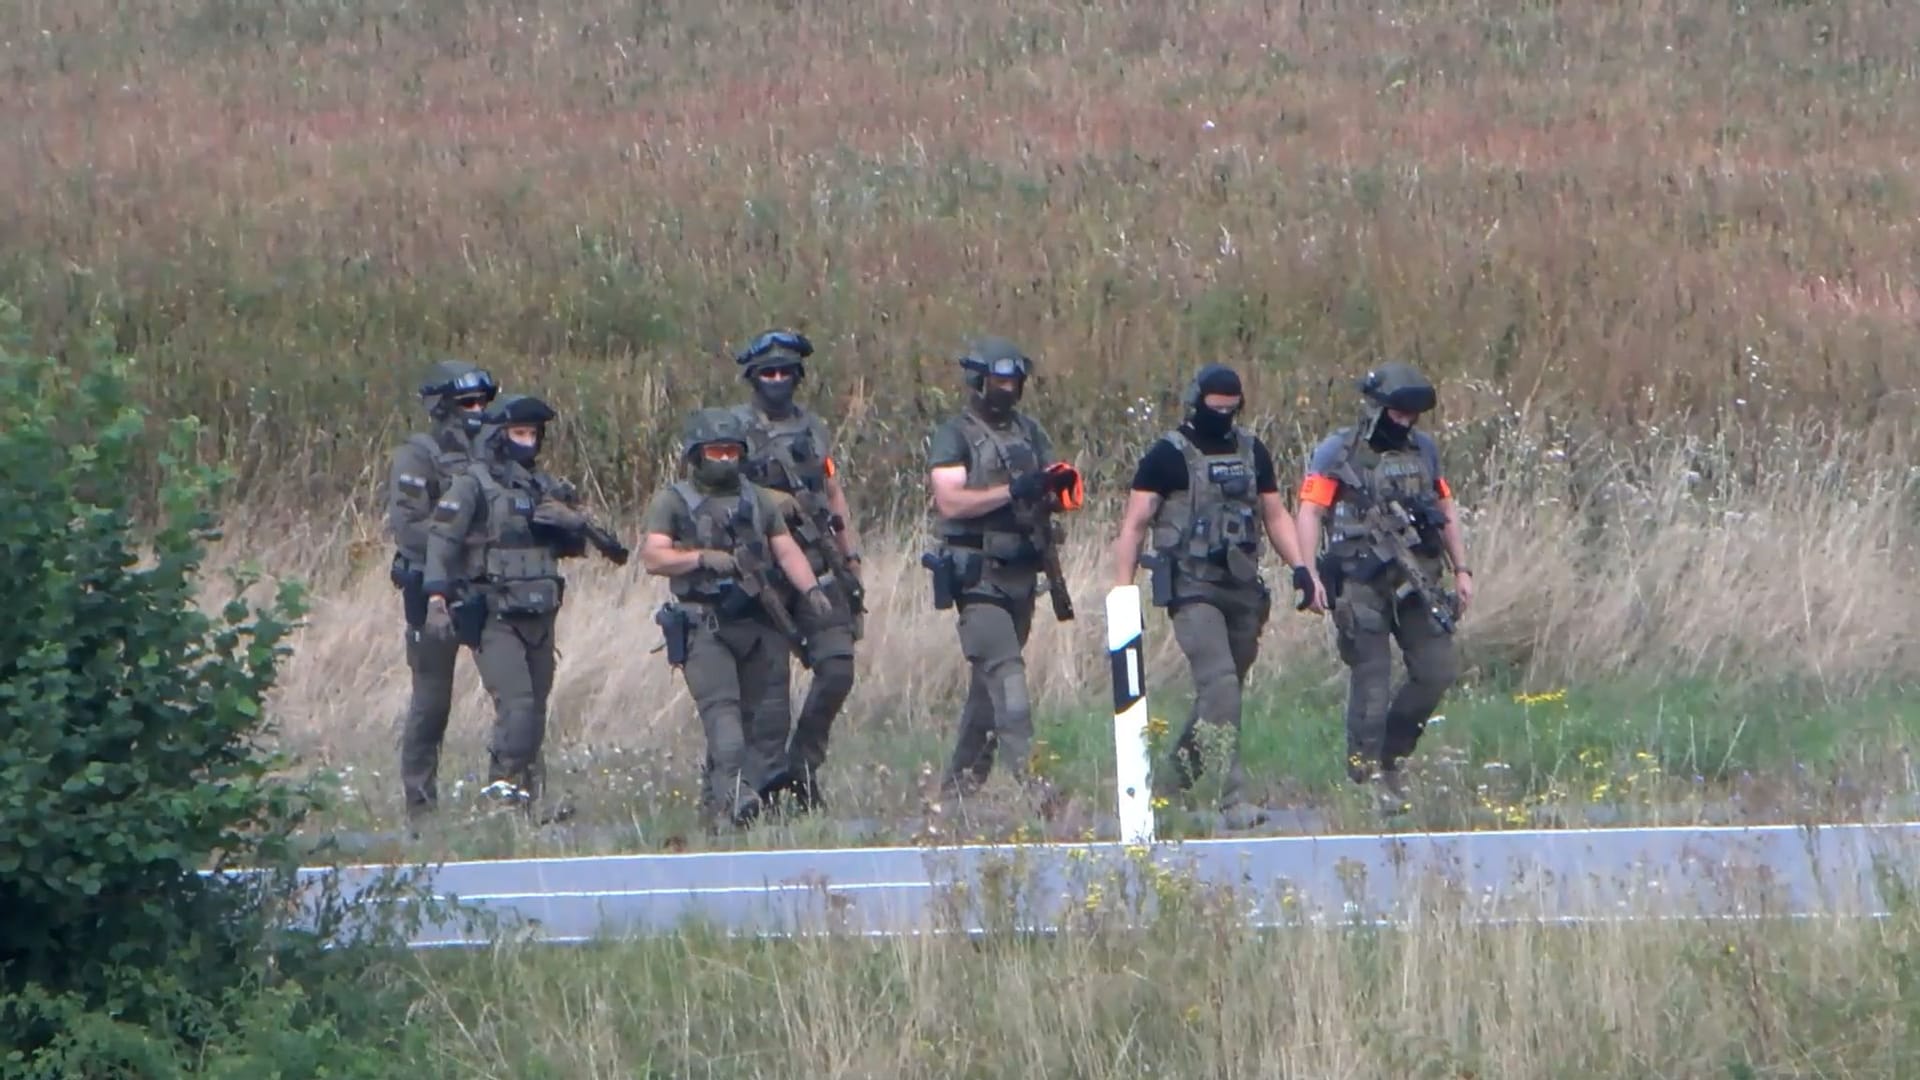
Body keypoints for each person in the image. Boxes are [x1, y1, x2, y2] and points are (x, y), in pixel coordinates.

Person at [1108, 363, 1325, 829]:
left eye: (1232, 409)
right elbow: (1135, 524)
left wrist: (1303, 569)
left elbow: (1274, 514)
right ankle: (1232, 801)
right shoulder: (1167, 455)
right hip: (1191, 589)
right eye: (1215, 408)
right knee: (1221, 684)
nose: (1223, 417)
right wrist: (1122, 595)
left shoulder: (1251, 451)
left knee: (1221, 694)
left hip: (1243, 588)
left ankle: (1168, 783)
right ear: (1196, 401)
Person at [641, 407, 836, 831]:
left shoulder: (757, 498)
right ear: (696, 454)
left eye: (732, 451)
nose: (725, 459)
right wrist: (700, 558)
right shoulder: (674, 501)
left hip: (759, 623)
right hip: (704, 624)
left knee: (768, 724)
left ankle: (736, 807)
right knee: (725, 725)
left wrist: (811, 589)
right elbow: (653, 556)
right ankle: (728, 804)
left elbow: (785, 549)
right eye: (716, 451)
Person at [1294, 361, 1474, 810]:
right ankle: (1366, 775)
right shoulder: (1336, 452)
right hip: (1360, 580)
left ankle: (1392, 756)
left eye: (1411, 413)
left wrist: (1461, 569)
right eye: (1396, 411)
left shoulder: (1425, 450)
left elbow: (1444, 509)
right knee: (1371, 681)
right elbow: (1311, 510)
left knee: (1436, 671)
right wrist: (1307, 572)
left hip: (1419, 578)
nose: (1404, 420)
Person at [921, 336, 1083, 806]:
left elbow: (1054, 488)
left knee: (985, 695)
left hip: (1022, 575)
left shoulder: (1029, 432)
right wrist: (1014, 490)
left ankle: (955, 797)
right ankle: (1037, 791)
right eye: (998, 380)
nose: (1007, 389)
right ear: (978, 381)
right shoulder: (956, 434)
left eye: (1014, 381)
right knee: (1007, 677)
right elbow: (950, 500)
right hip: (977, 579)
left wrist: (1056, 490)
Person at [420, 393, 588, 816]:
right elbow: (442, 540)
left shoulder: (544, 486)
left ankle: (530, 802)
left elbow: (571, 545)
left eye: (532, 433)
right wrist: (437, 598)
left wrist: (569, 524)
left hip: (541, 613)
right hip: (494, 611)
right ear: (498, 436)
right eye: (518, 433)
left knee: (535, 712)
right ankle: (503, 800)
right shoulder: (473, 483)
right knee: (516, 708)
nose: (526, 442)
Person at [727, 330, 862, 812]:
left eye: (787, 372)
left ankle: (803, 765)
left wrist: (850, 557)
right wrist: (774, 504)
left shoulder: (812, 427)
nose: (778, 380)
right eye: (769, 373)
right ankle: (765, 789)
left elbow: (832, 490)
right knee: (769, 694)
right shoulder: (735, 428)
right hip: (765, 571)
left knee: (837, 668)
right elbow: (718, 492)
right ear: (753, 378)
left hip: (819, 565)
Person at [385, 359, 499, 821]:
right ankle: (421, 807)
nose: (478, 412)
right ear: (442, 407)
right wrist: (464, 537)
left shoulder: (497, 452)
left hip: (489, 589)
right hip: (434, 591)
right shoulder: (419, 455)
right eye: (468, 403)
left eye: (483, 402)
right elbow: (409, 528)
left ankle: (513, 800)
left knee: (515, 700)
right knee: (431, 702)